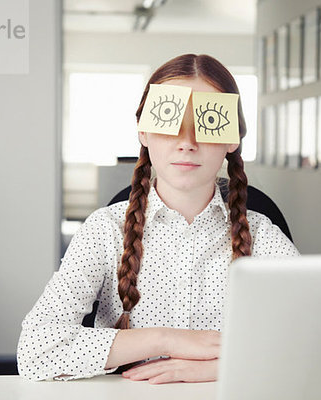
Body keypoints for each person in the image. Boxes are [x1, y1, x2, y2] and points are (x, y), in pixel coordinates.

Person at [17, 54, 299, 384]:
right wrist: (167, 339)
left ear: (231, 139)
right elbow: (36, 350)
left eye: (207, 124)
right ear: (144, 133)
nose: (187, 143)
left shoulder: (262, 237)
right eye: (170, 122)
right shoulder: (104, 230)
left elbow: (320, 339)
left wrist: (219, 368)